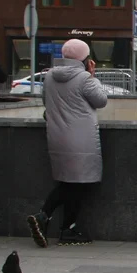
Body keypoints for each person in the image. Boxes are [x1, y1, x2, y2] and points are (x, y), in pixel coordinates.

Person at [26, 39, 108, 247]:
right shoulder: (84, 79)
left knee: (69, 182)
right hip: (81, 139)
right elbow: (101, 101)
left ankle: (64, 227)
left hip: (57, 136)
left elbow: (47, 102)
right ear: (85, 58)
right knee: (77, 184)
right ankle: (47, 217)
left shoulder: (50, 76)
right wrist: (92, 76)